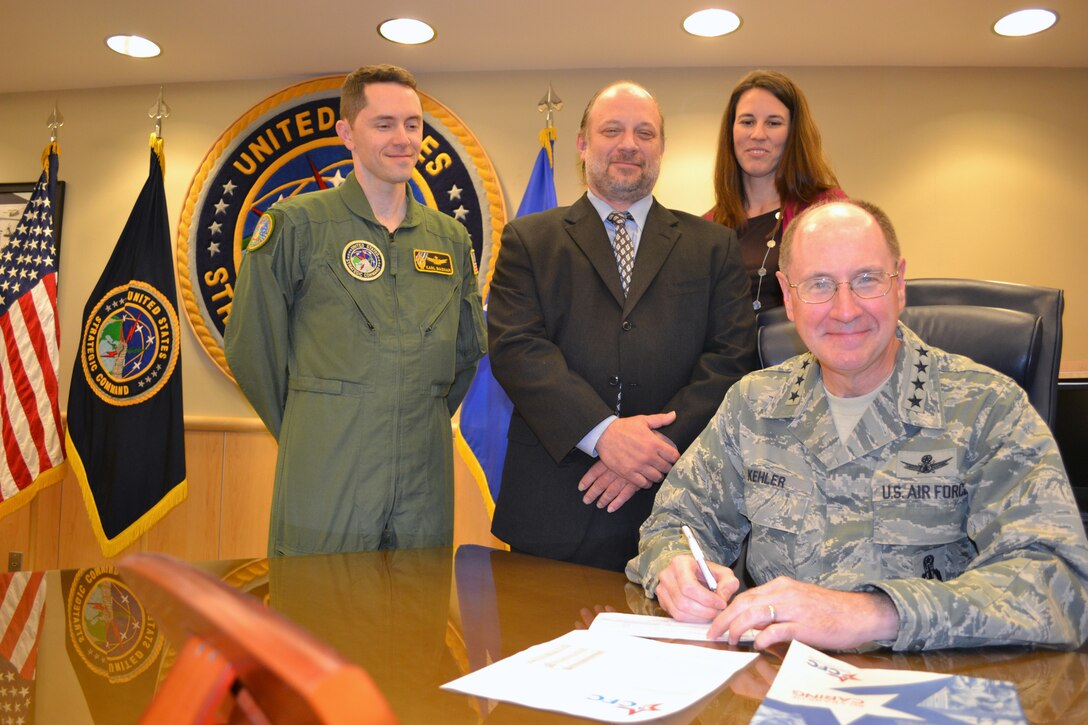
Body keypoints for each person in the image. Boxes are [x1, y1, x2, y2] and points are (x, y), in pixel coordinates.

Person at [629, 199, 1088, 651]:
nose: (845, 309)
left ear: (900, 284)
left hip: (928, 690)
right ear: (788, 298)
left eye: (867, 280)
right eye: (820, 284)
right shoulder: (755, 405)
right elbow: (675, 521)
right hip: (775, 683)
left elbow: (1058, 583)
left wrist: (874, 614)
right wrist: (676, 567)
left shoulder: (986, 407)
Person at [487, 80, 758, 572]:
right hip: (552, 507)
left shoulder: (713, 246)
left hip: (676, 505)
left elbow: (730, 359)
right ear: (582, 144)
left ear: (661, 148)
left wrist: (654, 450)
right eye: (612, 130)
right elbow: (517, 348)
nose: (629, 144)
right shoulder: (529, 240)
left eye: (645, 133)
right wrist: (604, 435)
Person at [224, 65, 486, 556]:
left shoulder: (449, 239)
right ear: (347, 132)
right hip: (326, 475)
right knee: (317, 620)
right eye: (383, 124)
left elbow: (466, 355)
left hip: (422, 483)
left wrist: (414, 413)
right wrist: (316, 421)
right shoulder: (296, 225)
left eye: (413, 124)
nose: (403, 138)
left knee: (414, 618)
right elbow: (250, 348)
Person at [707, 70, 844, 312]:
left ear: (793, 133)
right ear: (731, 132)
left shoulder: (829, 211)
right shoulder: (708, 226)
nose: (758, 134)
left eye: (773, 123)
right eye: (747, 122)